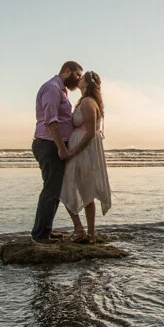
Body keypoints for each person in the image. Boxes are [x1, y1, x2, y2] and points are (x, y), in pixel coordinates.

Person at [31, 61, 82, 243]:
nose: (79, 79)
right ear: (67, 71)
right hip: (49, 144)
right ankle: (40, 236)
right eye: (77, 75)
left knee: (55, 191)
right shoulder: (52, 88)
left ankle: (45, 231)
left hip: (53, 144)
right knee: (51, 190)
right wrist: (61, 148)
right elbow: (51, 121)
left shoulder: (61, 90)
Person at [59, 71, 112, 242]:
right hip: (82, 149)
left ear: (87, 84)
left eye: (81, 78)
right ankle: (87, 232)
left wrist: (73, 151)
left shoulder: (88, 102)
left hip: (83, 151)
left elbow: (89, 133)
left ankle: (85, 232)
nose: (78, 79)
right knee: (83, 190)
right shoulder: (85, 101)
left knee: (74, 188)